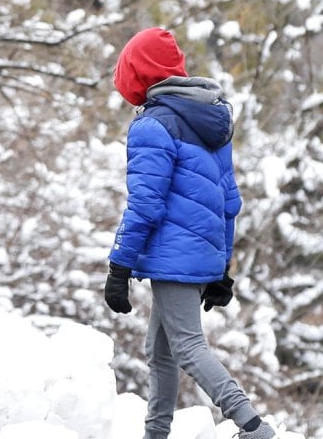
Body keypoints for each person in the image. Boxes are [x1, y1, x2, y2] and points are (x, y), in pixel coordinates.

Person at [104, 27, 276, 439]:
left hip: (171, 255)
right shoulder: (209, 121)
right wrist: (221, 266)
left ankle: (254, 427)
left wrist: (119, 267)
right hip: (195, 254)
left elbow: (145, 203)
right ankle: (156, 433)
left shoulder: (153, 126)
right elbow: (228, 202)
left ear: (139, 74)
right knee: (159, 351)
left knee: (187, 347)